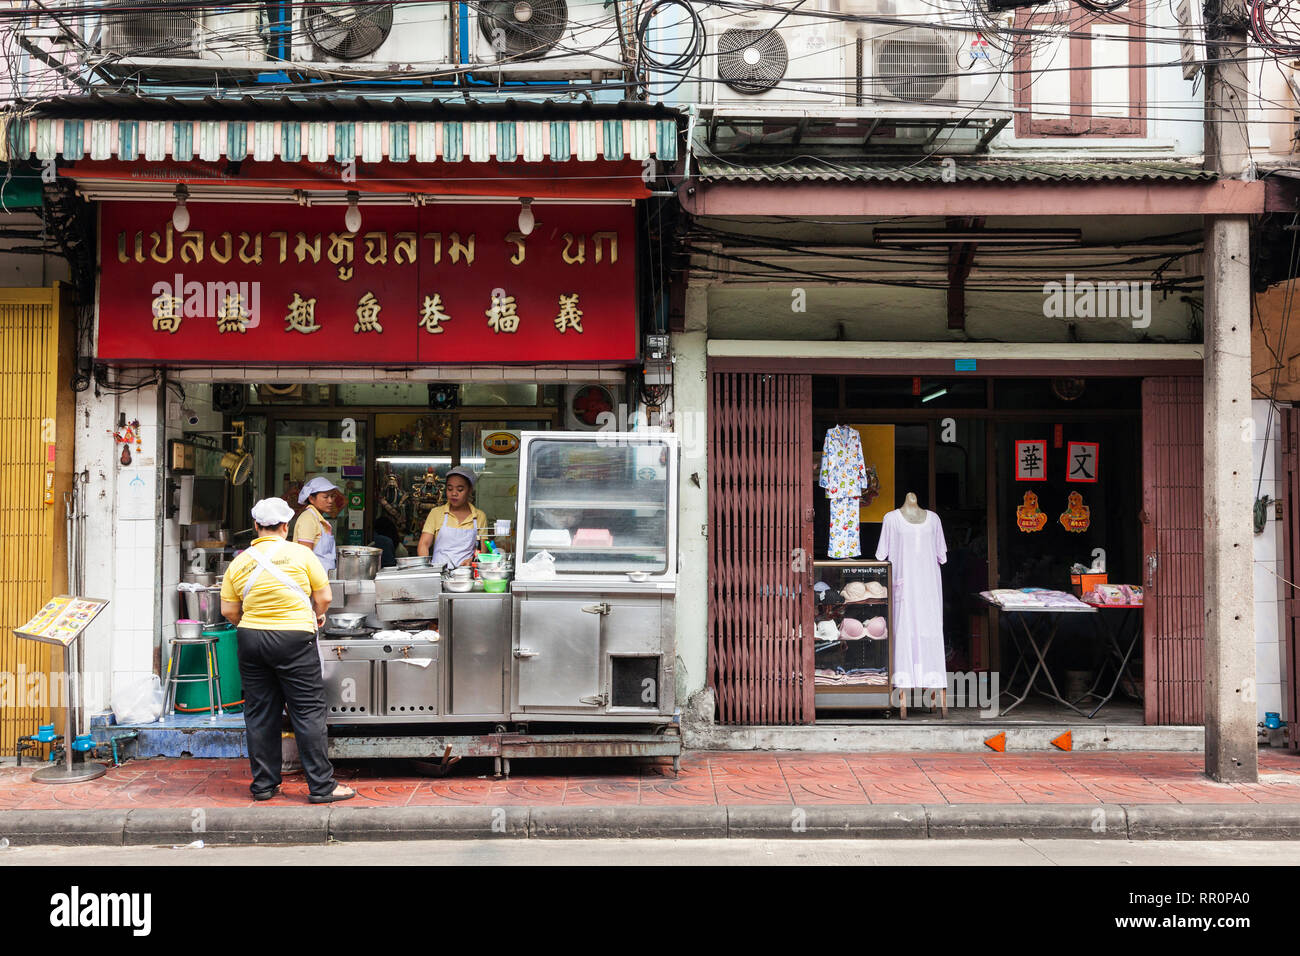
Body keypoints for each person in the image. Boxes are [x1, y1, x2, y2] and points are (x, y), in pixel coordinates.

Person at [220, 497, 355, 804]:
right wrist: (316, 615)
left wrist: (254, 623)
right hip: (295, 638)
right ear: (286, 526)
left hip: (251, 639)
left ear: (256, 526)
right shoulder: (301, 554)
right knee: (307, 712)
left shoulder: (240, 561)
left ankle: (264, 785)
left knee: (260, 714)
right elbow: (324, 597)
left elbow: (228, 609)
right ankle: (321, 786)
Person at [417, 466, 488, 569]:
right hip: (439, 572)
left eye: (460, 489)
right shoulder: (436, 513)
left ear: (470, 490)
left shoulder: (479, 516)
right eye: (450, 489)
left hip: (466, 574)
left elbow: (482, 550)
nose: (454, 493)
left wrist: (472, 560)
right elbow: (424, 544)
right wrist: (427, 569)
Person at [294, 476, 341, 573]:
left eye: (332, 496)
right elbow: (305, 557)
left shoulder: (317, 518)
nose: (330, 501)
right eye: (325, 497)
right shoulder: (308, 518)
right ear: (311, 499)